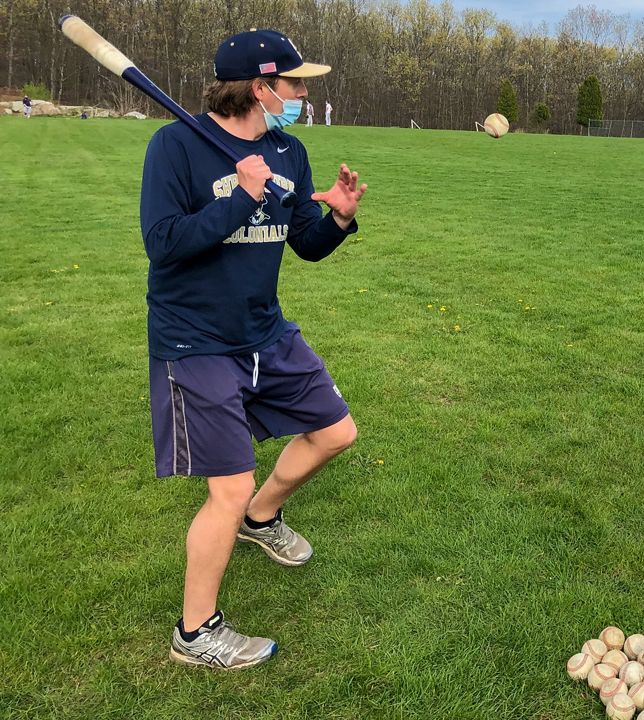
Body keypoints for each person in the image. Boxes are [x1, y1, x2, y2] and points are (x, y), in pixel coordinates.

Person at [140, 27, 368, 670]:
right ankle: (196, 633)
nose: (302, 95)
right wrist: (240, 196)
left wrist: (339, 218)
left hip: (265, 330)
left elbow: (306, 243)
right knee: (229, 486)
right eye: (294, 84)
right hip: (195, 338)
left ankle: (261, 519)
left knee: (336, 432)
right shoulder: (176, 146)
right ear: (259, 87)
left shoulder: (288, 150)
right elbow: (163, 243)